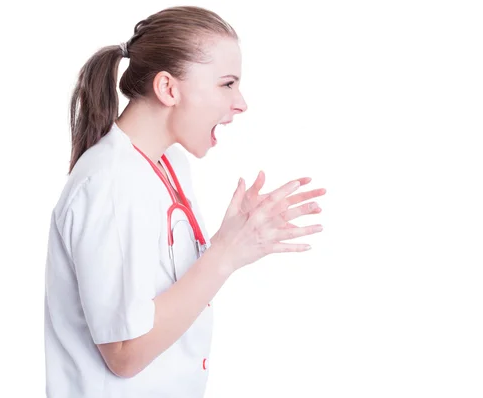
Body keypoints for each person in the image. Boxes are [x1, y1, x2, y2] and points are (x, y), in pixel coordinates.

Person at [43, 5, 326, 398]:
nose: (241, 102)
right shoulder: (108, 182)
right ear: (168, 89)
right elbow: (124, 354)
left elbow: (166, 296)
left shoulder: (167, 162)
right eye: (227, 84)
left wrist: (230, 242)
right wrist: (224, 255)